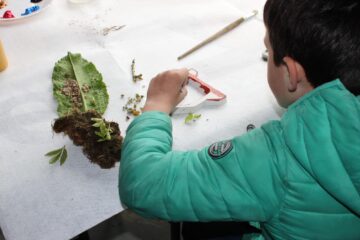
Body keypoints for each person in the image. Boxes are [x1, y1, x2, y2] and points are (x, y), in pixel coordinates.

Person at [119, 0, 360, 239]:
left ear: (291, 74)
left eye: (269, 50)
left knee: (199, 227)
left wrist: (157, 105)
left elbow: (143, 185)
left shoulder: (280, 158)